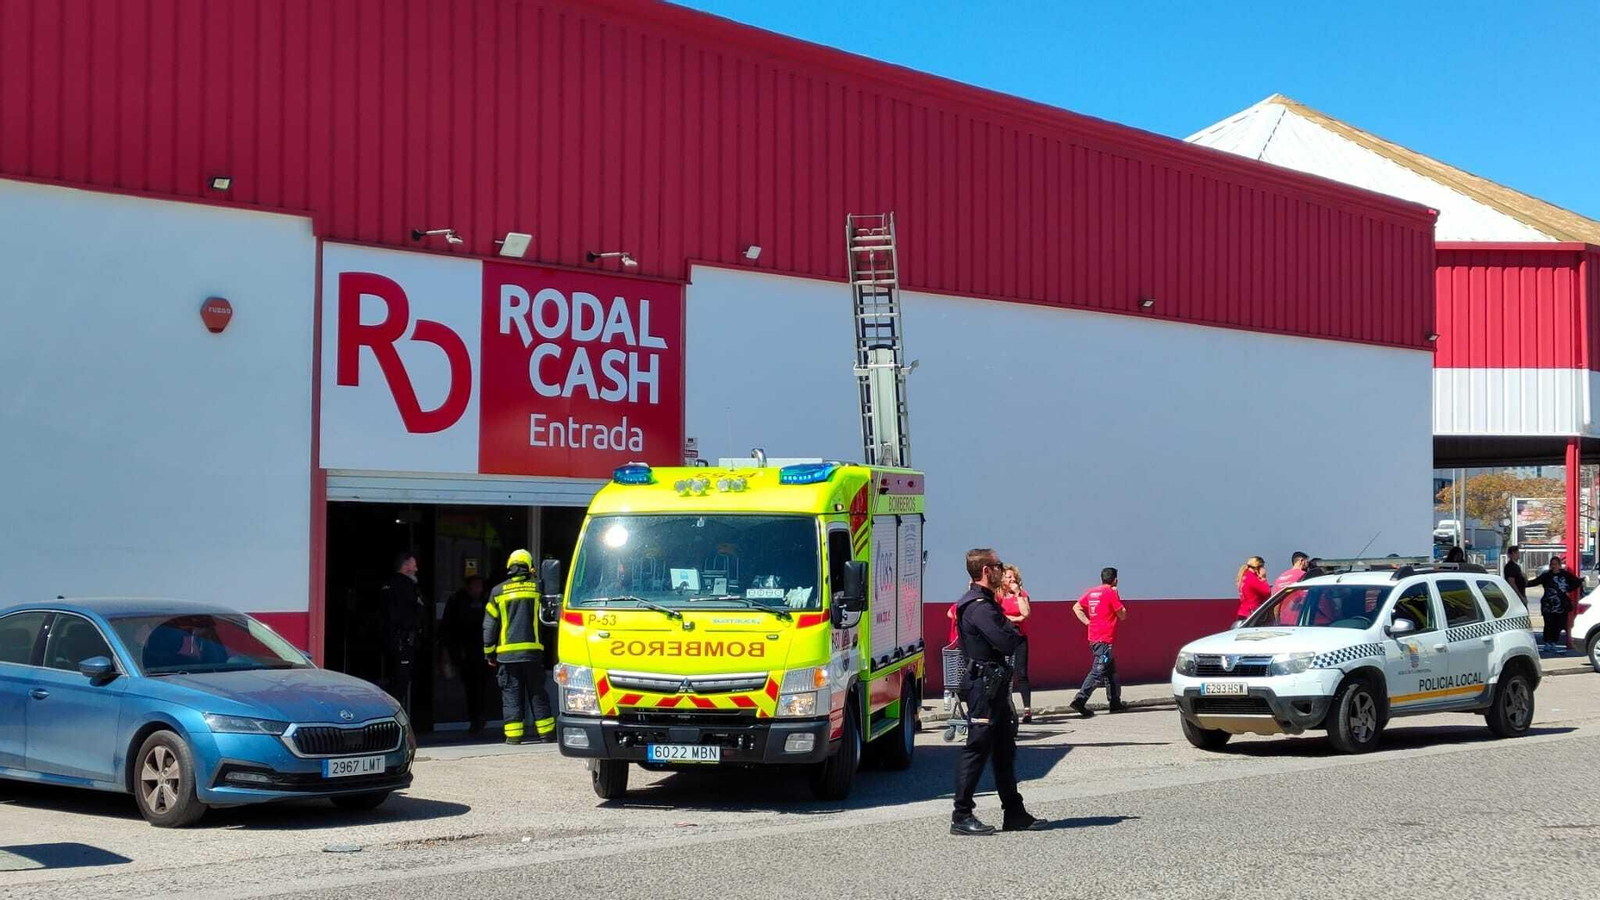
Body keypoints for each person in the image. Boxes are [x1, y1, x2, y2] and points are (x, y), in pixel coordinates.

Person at [950, 548, 1045, 836]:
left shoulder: (986, 603)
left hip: (994, 685)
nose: (1002, 571)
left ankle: (1014, 812)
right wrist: (1009, 627)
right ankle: (961, 815)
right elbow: (1007, 640)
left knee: (1005, 749)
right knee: (977, 749)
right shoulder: (979, 606)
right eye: (998, 566)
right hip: (983, 686)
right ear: (985, 571)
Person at [484, 549, 556, 744]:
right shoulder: (538, 588)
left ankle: (514, 737)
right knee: (537, 693)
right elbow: (551, 617)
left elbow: (489, 626)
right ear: (529, 566)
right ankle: (547, 734)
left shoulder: (498, 592)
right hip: (532, 654)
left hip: (507, 656)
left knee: (511, 694)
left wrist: (489, 653)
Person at [1070, 567, 1128, 717]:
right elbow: (1122, 615)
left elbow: (1076, 607)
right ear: (1115, 579)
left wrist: (1088, 622)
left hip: (1095, 637)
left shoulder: (1092, 592)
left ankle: (1115, 702)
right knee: (1098, 671)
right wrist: (1117, 596)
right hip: (1104, 640)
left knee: (1111, 671)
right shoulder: (1110, 592)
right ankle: (1080, 700)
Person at [441, 574, 489, 734]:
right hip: (465, 652)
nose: (479, 589)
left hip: (483, 651)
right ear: (468, 586)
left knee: (482, 687)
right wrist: (448, 653)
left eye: (480, 586)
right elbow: (447, 628)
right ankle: (475, 719)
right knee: (471, 687)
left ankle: (481, 718)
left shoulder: (485, 599)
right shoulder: (457, 601)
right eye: (476, 586)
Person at [379, 551, 425, 712]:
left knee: (392, 680)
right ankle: (395, 719)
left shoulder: (388, 584)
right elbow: (412, 614)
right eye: (414, 565)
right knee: (399, 684)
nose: (416, 569)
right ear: (405, 566)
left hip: (389, 642)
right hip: (403, 641)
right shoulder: (407, 586)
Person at [997, 565, 1034, 723]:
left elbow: (1026, 613)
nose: (1012, 580)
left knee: (1022, 673)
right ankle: (1006, 706)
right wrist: (1015, 619)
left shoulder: (1022, 594)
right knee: (1004, 673)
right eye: (1008, 577)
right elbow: (998, 616)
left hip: (1020, 637)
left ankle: (1027, 711)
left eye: (1013, 577)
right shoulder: (998, 595)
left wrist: (1018, 594)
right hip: (1004, 638)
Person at [1528, 556, 1580, 654]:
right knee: (1548, 624)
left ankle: (1554, 642)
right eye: (1552, 564)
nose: (1553, 566)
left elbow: (1577, 582)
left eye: (1555, 564)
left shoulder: (1565, 575)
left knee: (1559, 624)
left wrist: (1568, 590)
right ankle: (1547, 643)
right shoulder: (1546, 575)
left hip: (1561, 605)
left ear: (1559, 565)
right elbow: (1535, 582)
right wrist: (1522, 583)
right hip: (1548, 605)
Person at [1234, 556, 1270, 627]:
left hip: (1243, 613)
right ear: (1258, 567)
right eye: (1262, 567)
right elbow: (1267, 592)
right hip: (1252, 615)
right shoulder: (1252, 578)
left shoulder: (1244, 576)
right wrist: (1263, 578)